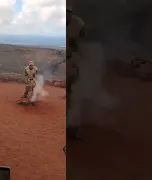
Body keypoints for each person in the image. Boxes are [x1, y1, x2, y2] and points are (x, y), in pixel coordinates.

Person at [66, 5, 86, 140]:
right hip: (66, 60)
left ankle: (72, 129)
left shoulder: (79, 24)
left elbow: (84, 45)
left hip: (75, 60)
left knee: (76, 94)